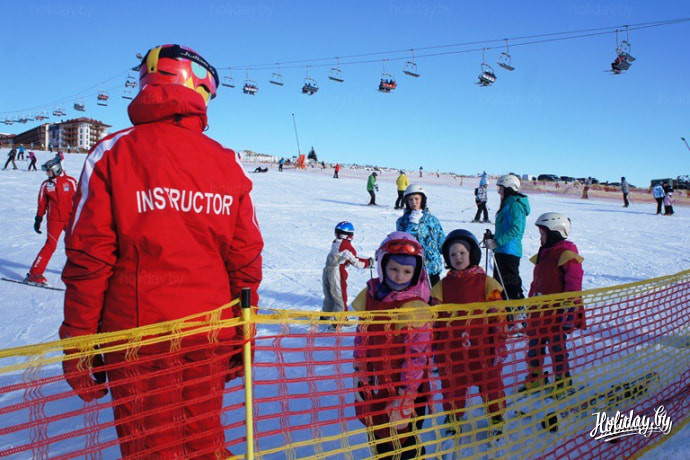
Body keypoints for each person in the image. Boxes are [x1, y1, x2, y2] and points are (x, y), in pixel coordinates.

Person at [58, 44, 264, 458]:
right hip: (209, 333)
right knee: (204, 441)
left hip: (140, 340)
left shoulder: (114, 152)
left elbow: (89, 258)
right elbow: (246, 262)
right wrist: (243, 334)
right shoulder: (226, 162)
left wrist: (79, 343)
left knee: (152, 447)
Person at [352, 232, 432, 459]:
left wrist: (407, 393)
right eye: (393, 269)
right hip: (377, 384)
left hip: (407, 388)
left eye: (407, 271)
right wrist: (360, 369)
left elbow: (417, 355)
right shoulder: (371, 297)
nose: (399, 276)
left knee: (405, 441)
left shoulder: (415, 306)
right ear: (382, 266)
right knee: (379, 437)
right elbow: (362, 336)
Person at [432, 229, 506, 436]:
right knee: (452, 386)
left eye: (462, 253)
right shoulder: (442, 286)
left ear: (472, 253)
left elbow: (498, 315)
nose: (458, 258)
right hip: (452, 350)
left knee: (490, 383)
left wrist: (499, 341)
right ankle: (453, 416)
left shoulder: (487, 283)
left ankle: (496, 416)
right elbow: (435, 318)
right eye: (453, 254)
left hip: (482, 348)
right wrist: (433, 345)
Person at [521, 212, 585, 399]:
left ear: (555, 232)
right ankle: (536, 378)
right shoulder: (544, 253)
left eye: (543, 234)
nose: (540, 238)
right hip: (538, 313)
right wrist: (530, 305)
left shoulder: (566, 255)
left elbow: (574, 285)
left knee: (557, 348)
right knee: (534, 347)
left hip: (557, 314)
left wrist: (570, 311)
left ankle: (562, 381)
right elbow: (536, 283)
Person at [25, 158, 78, 285]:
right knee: (50, 246)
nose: (46, 174)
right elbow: (42, 203)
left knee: (78, 244)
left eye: (48, 171)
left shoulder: (70, 181)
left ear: (56, 169)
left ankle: (81, 271)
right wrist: (38, 218)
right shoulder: (46, 185)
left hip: (70, 218)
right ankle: (34, 274)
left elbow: (80, 199)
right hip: (54, 220)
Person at [485, 174, 530, 323]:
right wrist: (493, 238)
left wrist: (497, 242)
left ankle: (520, 317)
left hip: (509, 252)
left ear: (509, 188)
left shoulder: (515, 205)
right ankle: (505, 317)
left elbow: (516, 229)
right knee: (500, 286)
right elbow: (505, 227)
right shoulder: (508, 204)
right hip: (501, 250)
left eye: (501, 188)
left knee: (511, 285)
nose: (499, 192)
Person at [321, 221, 372, 323]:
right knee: (340, 295)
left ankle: (326, 315)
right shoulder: (346, 246)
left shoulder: (335, 242)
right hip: (337, 272)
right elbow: (356, 262)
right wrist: (368, 262)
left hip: (327, 270)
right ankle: (341, 319)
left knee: (329, 294)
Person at [396, 184, 446, 286]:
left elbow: (441, 241)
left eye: (416, 199)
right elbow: (404, 242)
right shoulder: (402, 222)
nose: (413, 202)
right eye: (410, 199)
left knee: (435, 295)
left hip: (433, 268)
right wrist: (412, 223)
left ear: (422, 200)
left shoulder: (432, 220)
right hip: (413, 269)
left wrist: (450, 252)